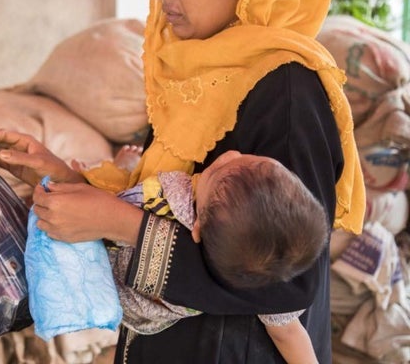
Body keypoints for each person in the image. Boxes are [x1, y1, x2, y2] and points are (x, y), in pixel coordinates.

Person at [0, 0, 366, 363]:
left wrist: (120, 223)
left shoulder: (287, 91)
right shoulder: (192, 75)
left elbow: (287, 282)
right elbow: (168, 196)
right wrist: (60, 175)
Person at [111, 150, 327, 364]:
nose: (230, 155)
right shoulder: (262, 277)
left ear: (197, 229)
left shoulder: (169, 195)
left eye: (214, 173)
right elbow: (288, 334)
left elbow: (110, 215)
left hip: (122, 291)